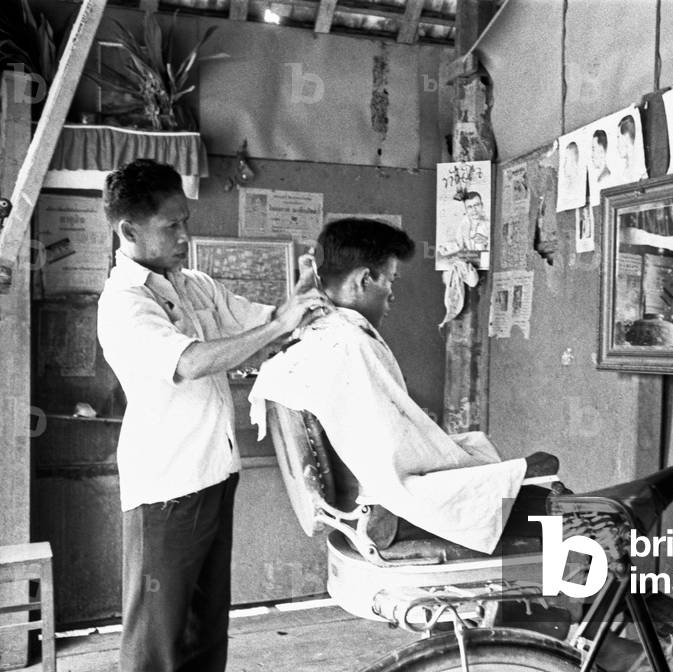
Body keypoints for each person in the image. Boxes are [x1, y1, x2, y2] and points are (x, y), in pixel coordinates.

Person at [97, 159, 328, 671]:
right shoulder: (125, 304)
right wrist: (276, 328)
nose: (185, 235)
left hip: (215, 476)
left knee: (205, 630)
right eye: (171, 226)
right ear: (128, 229)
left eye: (186, 220)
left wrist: (301, 293)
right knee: (157, 638)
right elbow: (190, 362)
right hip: (166, 489)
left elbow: (265, 325)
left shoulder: (193, 284)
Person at [250, 218, 559, 554]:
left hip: (369, 496)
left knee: (500, 465)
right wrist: (471, 464)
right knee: (562, 503)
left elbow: (386, 442)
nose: (392, 293)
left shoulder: (313, 337)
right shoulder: (349, 344)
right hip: (390, 510)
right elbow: (396, 457)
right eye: (390, 280)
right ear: (365, 279)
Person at [438, 191, 489, 257]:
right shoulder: (464, 223)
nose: (474, 210)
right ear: (466, 209)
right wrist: (446, 248)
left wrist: (486, 241)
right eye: (470, 207)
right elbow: (459, 244)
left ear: (482, 205)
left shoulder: (489, 222)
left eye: (476, 205)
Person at [616, 115, 646, 182]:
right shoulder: (626, 170)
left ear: (626, 137)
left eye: (618, 137)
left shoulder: (638, 168)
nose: (617, 146)